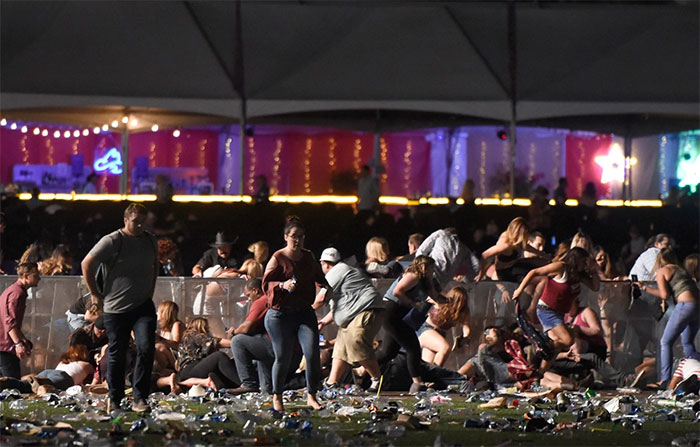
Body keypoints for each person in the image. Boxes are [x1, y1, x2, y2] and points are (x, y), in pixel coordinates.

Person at [81, 203, 159, 413]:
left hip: (143, 305)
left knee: (146, 348)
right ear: (126, 220)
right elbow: (86, 263)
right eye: (136, 221)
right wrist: (95, 294)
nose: (140, 225)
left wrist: (149, 291)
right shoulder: (113, 240)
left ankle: (140, 397)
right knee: (118, 352)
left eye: (143, 221)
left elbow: (155, 266)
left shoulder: (150, 240)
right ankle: (115, 398)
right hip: (116, 308)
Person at [263, 216, 331, 411]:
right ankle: (277, 397)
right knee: (283, 357)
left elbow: (320, 278)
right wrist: (282, 285)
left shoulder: (308, 256)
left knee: (312, 353)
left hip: (304, 313)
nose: (298, 240)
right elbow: (265, 285)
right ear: (286, 237)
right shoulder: (278, 258)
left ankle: (312, 395)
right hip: (280, 314)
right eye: (294, 236)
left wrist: (327, 289)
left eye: (301, 236)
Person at [512, 247, 600, 369]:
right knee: (568, 340)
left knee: (558, 344)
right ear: (576, 260)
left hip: (559, 313)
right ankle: (541, 348)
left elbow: (595, 287)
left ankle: (540, 371)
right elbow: (534, 272)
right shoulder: (561, 267)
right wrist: (519, 290)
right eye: (583, 262)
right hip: (547, 310)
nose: (584, 265)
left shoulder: (579, 275)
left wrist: (593, 270)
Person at [316, 247, 385, 391]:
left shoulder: (336, 272)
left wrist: (306, 312)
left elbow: (321, 299)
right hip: (356, 314)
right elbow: (338, 308)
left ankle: (377, 379)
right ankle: (332, 383)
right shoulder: (345, 271)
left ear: (325, 264)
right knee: (340, 350)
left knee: (356, 344)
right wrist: (323, 322)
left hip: (365, 310)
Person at [375, 255, 441, 393]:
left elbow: (434, 296)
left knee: (388, 352)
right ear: (424, 267)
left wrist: (447, 300)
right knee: (412, 347)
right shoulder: (413, 275)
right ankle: (417, 383)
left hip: (398, 316)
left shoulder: (425, 281)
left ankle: (360, 368)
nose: (433, 271)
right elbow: (397, 292)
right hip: (391, 312)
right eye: (431, 268)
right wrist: (412, 303)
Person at [636, 248, 700, 388]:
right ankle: (696, 375)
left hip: (685, 305)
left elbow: (664, 295)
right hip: (697, 306)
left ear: (659, 260)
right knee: (687, 342)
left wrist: (645, 288)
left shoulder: (662, 271)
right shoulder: (680, 270)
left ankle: (665, 379)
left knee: (665, 341)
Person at [228, 278, 296, 395]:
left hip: (278, 346)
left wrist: (233, 332)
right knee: (266, 390)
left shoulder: (262, 301)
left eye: (248, 295)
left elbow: (246, 328)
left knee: (237, 341)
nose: (249, 299)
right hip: (288, 347)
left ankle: (248, 384)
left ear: (256, 291)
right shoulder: (274, 298)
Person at [0, 345, 94, 395]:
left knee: (25, 385)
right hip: (64, 376)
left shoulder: (63, 362)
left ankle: (7, 381)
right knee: (52, 385)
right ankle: (44, 385)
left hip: (48, 372)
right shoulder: (86, 364)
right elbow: (96, 377)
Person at [0, 262, 40, 378]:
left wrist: (23, 340)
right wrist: (18, 343)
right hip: (5, 347)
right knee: (12, 384)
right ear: (26, 276)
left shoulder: (13, 290)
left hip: (4, 345)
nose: (39, 278)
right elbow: (9, 321)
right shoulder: (17, 293)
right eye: (36, 275)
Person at [176, 318, 238, 391]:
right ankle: (243, 384)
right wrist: (240, 339)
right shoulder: (195, 336)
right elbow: (223, 343)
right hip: (190, 371)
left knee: (227, 364)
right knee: (219, 356)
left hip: (190, 371)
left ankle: (225, 385)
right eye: (207, 327)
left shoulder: (188, 339)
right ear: (201, 326)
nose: (209, 329)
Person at [418, 285, 470, 367]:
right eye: (458, 300)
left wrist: (464, 338)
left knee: (428, 364)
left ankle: (429, 374)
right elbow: (427, 297)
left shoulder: (463, 312)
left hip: (440, 335)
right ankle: (438, 373)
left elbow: (466, 327)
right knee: (445, 348)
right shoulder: (442, 301)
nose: (460, 303)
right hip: (426, 330)